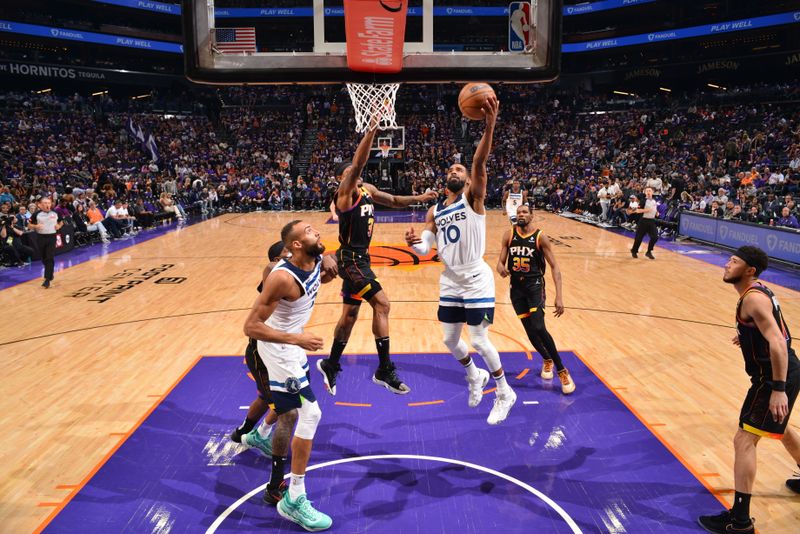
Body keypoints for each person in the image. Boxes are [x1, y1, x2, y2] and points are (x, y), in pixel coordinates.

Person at [405, 95, 517, 425]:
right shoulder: (435, 210)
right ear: (446, 179)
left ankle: (504, 390)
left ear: (468, 180)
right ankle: (474, 376)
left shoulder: (473, 199)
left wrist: (490, 126)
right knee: (450, 340)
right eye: (451, 168)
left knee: (480, 339)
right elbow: (427, 248)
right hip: (450, 277)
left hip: (475, 275)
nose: (455, 169)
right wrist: (416, 244)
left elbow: (480, 162)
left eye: (460, 168)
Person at [315, 125, 437, 397]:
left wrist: (419, 198)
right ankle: (384, 369)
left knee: (349, 315)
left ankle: (331, 364)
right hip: (351, 259)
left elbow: (393, 199)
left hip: (361, 259)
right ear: (341, 180)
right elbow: (358, 164)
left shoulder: (367, 189)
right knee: (382, 303)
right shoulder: (345, 195)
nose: (354, 176)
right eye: (348, 175)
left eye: (354, 174)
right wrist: (371, 131)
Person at [698, 247, 800, 534]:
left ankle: (740, 521)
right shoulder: (756, 292)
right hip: (786, 371)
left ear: (750, 270)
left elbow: (779, 342)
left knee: (744, 440)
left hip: (773, 378)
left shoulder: (753, 298)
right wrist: (746, 334)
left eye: (734, 261)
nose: (727, 264)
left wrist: (777, 389)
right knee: (778, 428)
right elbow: (773, 328)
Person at [243, 220, 335, 532]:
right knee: (310, 413)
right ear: (295, 245)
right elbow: (251, 328)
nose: (317, 232)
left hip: (293, 345)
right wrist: (296, 339)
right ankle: (293, 499)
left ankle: (259, 436)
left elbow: (328, 260)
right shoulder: (281, 277)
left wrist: (330, 268)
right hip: (278, 348)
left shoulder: (317, 258)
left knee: (293, 413)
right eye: (309, 231)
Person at [497, 204, 575, 394]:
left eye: (525, 212)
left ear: (532, 216)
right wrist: (500, 267)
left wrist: (559, 296)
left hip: (535, 286)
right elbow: (500, 261)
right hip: (516, 288)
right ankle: (546, 359)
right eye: (519, 212)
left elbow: (555, 267)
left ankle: (562, 369)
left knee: (539, 326)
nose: (521, 215)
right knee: (530, 330)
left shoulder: (540, 237)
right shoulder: (509, 235)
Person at [28, 197, 63, 288]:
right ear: (40, 205)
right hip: (41, 237)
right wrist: (35, 226)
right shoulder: (36, 214)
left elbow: (61, 222)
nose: (47, 205)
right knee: (44, 258)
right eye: (45, 203)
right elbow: (28, 225)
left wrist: (58, 226)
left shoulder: (56, 213)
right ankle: (50, 274)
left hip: (52, 237)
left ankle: (47, 279)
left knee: (49, 257)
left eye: (49, 203)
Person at [630, 187, 658, 259]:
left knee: (655, 237)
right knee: (639, 238)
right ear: (645, 192)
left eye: (650, 191)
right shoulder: (643, 201)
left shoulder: (654, 201)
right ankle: (634, 251)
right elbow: (637, 210)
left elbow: (654, 209)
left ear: (652, 192)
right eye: (647, 191)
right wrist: (646, 210)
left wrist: (657, 212)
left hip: (651, 221)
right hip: (643, 221)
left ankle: (649, 252)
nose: (648, 192)